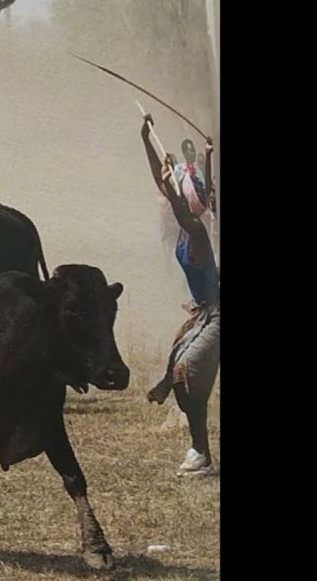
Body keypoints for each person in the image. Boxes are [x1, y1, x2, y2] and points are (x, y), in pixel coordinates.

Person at [141, 115, 219, 478]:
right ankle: (201, 451)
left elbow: (177, 205)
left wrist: (176, 179)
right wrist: (146, 138)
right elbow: (163, 185)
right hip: (205, 313)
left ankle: (200, 452)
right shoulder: (185, 231)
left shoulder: (198, 233)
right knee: (182, 372)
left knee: (186, 371)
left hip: (217, 315)